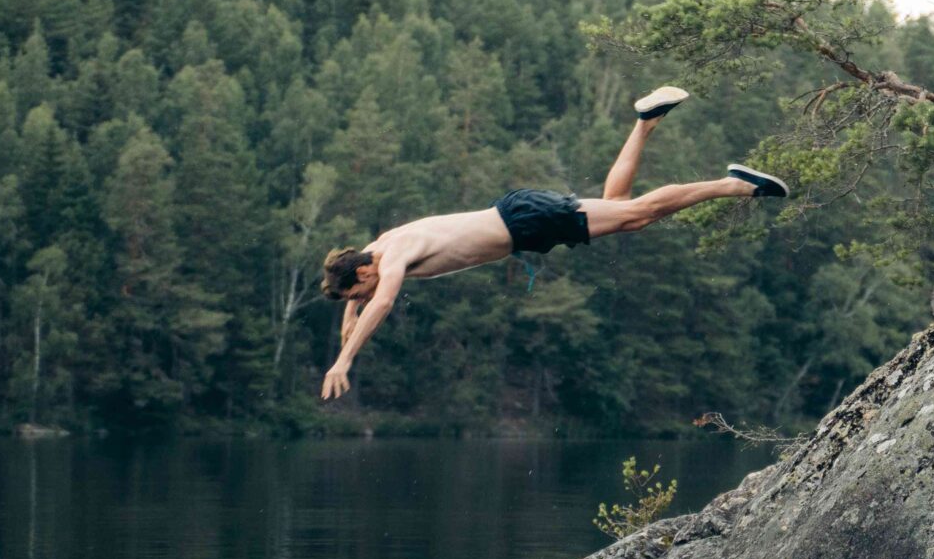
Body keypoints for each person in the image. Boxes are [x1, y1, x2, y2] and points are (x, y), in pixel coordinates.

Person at [315, 87, 787, 401]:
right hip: (523, 219)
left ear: (365, 272)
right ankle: (646, 121)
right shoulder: (378, 247)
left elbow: (384, 301)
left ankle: (734, 184)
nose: (365, 296)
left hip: (526, 221)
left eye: (360, 291)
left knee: (637, 213)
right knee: (621, 209)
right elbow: (357, 283)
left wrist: (344, 359)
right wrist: (349, 311)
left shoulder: (393, 257)